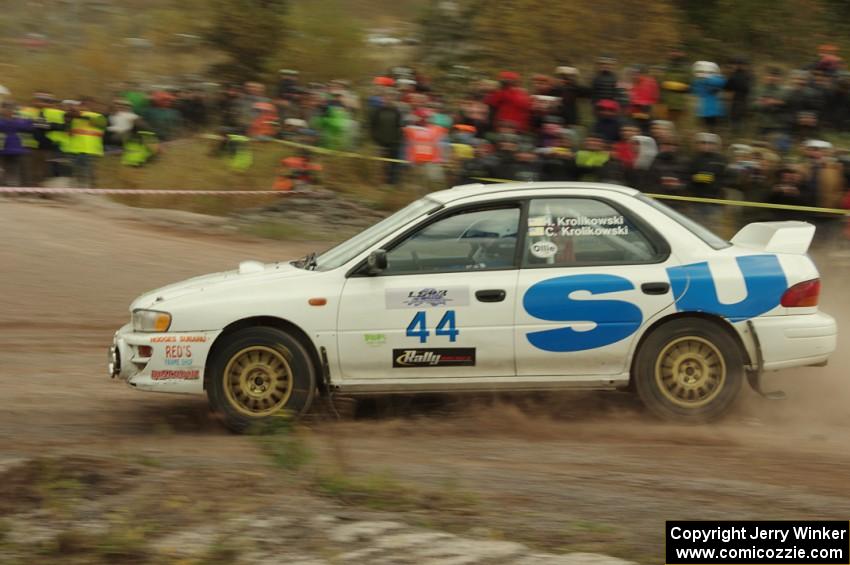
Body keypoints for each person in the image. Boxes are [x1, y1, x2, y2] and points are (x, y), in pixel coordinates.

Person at [369, 93, 404, 185]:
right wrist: (375, 137)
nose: (387, 100)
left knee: (394, 163)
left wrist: (397, 139)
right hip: (380, 141)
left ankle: (392, 182)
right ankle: (378, 182)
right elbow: (372, 125)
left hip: (393, 142)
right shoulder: (378, 111)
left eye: (390, 98)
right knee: (380, 164)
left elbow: (399, 126)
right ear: (383, 100)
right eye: (386, 98)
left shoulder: (396, 112)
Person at [0, 101, 34, 186]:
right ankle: (8, 187)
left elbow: (28, 125)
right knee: (8, 169)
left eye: (10, 108)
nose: (9, 111)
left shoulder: (19, 121)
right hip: (5, 149)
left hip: (16, 150)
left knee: (15, 169)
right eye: (6, 108)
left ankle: (13, 188)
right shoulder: (18, 121)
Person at [691, 61, 726, 131]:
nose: (704, 74)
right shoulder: (698, 82)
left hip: (713, 109)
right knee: (705, 127)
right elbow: (696, 91)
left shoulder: (717, 80)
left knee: (712, 127)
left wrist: (707, 79)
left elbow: (720, 83)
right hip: (703, 109)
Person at [723, 56, 753, 133]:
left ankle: (735, 135)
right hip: (746, 101)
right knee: (741, 120)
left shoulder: (734, 76)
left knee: (735, 120)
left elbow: (727, 87)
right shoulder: (749, 76)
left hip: (736, 100)